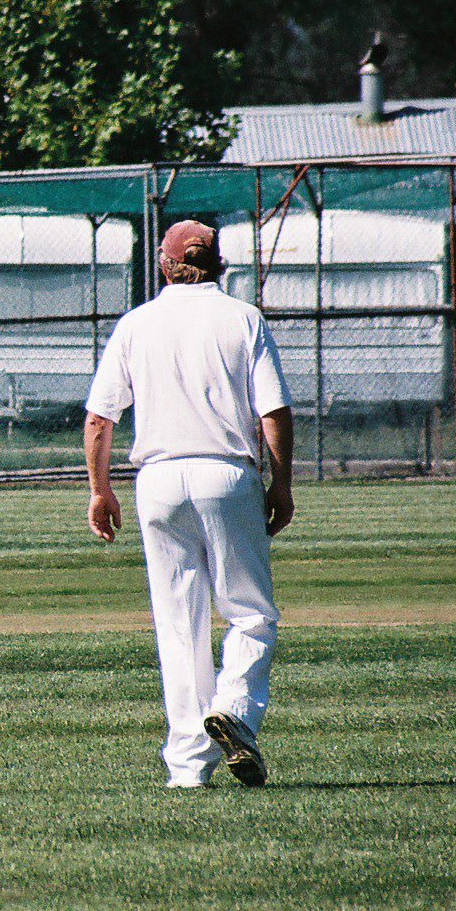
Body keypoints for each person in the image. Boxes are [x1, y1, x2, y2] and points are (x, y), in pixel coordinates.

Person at [83, 220, 295, 788]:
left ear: (165, 262)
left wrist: (100, 490)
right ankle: (236, 712)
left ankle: (187, 768)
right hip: (225, 473)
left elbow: (100, 419)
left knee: (179, 625)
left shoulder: (136, 324)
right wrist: (282, 482)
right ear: (217, 262)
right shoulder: (241, 317)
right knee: (249, 612)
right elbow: (271, 412)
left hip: (157, 479)